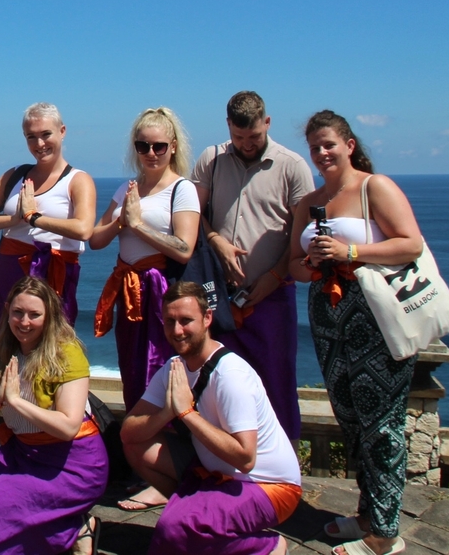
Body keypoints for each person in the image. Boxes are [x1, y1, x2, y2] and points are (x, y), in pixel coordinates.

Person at [289, 111, 421, 555]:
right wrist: (310, 265)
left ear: (348, 144)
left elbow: (410, 243)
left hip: (376, 317)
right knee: (350, 418)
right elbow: (291, 264)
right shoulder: (308, 203)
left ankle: (385, 534)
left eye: (329, 144)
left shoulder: (373, 188)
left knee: (381, 425)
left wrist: (350, 250)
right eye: (314, 148)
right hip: (328, 316)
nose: (322, 154)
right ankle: (369, 514)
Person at [120, 281, 302, 555]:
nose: (177, 331)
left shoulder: (230, 376)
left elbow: (245, 458)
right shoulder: (174, 368)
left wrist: (186, 413)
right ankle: (193, 516)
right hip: (213, 473)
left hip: (267, 485)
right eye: (170, 321)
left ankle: (268, 546)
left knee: (171, 533)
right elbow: (129, 434)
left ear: (207, 319)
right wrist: (167, 412)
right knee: (139, 448)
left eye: (186, 321)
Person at [0, 276, 107, 555]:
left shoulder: (66, 354)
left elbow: (68, 427)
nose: (24, 322)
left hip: (71, 458)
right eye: (18, 313)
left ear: (49, 316)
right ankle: (38, 516)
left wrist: (17, 402)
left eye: (35, 315)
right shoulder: (3, 353)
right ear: (7, 310)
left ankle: (72, 526)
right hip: (22, 449)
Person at [191, 91, 314, 441]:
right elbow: (191, 215)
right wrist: (216, 241)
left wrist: (275, 276)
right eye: (239, 137)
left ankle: (281, 469)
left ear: (268, 123)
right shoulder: (211, 159)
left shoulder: (292, 166)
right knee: (219, 382)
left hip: (272, 295)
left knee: (275, 379)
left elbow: (301, 235)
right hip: (220, 294)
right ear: (228, 126)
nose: (246, 144)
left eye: (254, 137)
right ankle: (219, 463)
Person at [91, 107, 199, 417]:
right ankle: (138, 437)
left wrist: (138, 225)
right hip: (128, 290)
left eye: (159, 146)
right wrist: (121, 223)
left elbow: (183, 248)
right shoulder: (128, 188)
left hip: (160, 289)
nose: (150, 153)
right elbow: (97, 240)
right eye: (143, 146)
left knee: (159, 363)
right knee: (132, 365)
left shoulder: (182, 190)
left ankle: (161, 437)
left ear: (173, 146)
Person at [0, 102, 96, 326]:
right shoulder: (15, 175)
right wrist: (15, 219)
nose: (40, 144)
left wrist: (33, 218)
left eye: (46, 134)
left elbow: (84, 229)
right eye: (31, 137)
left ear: (62, 132)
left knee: (53, 343)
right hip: (11, 270)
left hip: (55, 273)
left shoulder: (78, 180)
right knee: (9, 336)